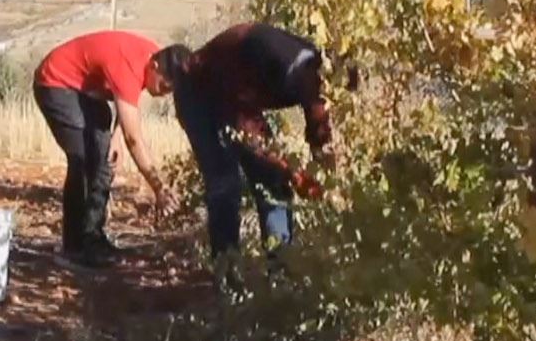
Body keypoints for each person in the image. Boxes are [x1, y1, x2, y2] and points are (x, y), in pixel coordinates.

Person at [164, 22, 345, 287]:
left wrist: (330, 182)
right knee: (225, 183)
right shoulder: (265, 57)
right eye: (326, 96)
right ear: (317, 79)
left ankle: (281, 277)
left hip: (238, 97)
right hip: (199, 94)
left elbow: (320, 129)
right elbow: (249, 136)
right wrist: (295, 174)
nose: (327, 102)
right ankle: (228, 278)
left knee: (275, 184)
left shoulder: (314, 73)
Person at [33, 30, 178, 267]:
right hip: (54, 82)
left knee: (105, 153)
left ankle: (93, 237)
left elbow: (127, 104)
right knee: (82, 158)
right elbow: (135, 138)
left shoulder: (152, 58)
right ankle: (75, 247)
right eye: (163, 86)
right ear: (154, 66)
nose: (163, 94)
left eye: (169, 91)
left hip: (84, 90)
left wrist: (117, 135)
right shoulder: (131, 64)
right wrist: (158, 187)